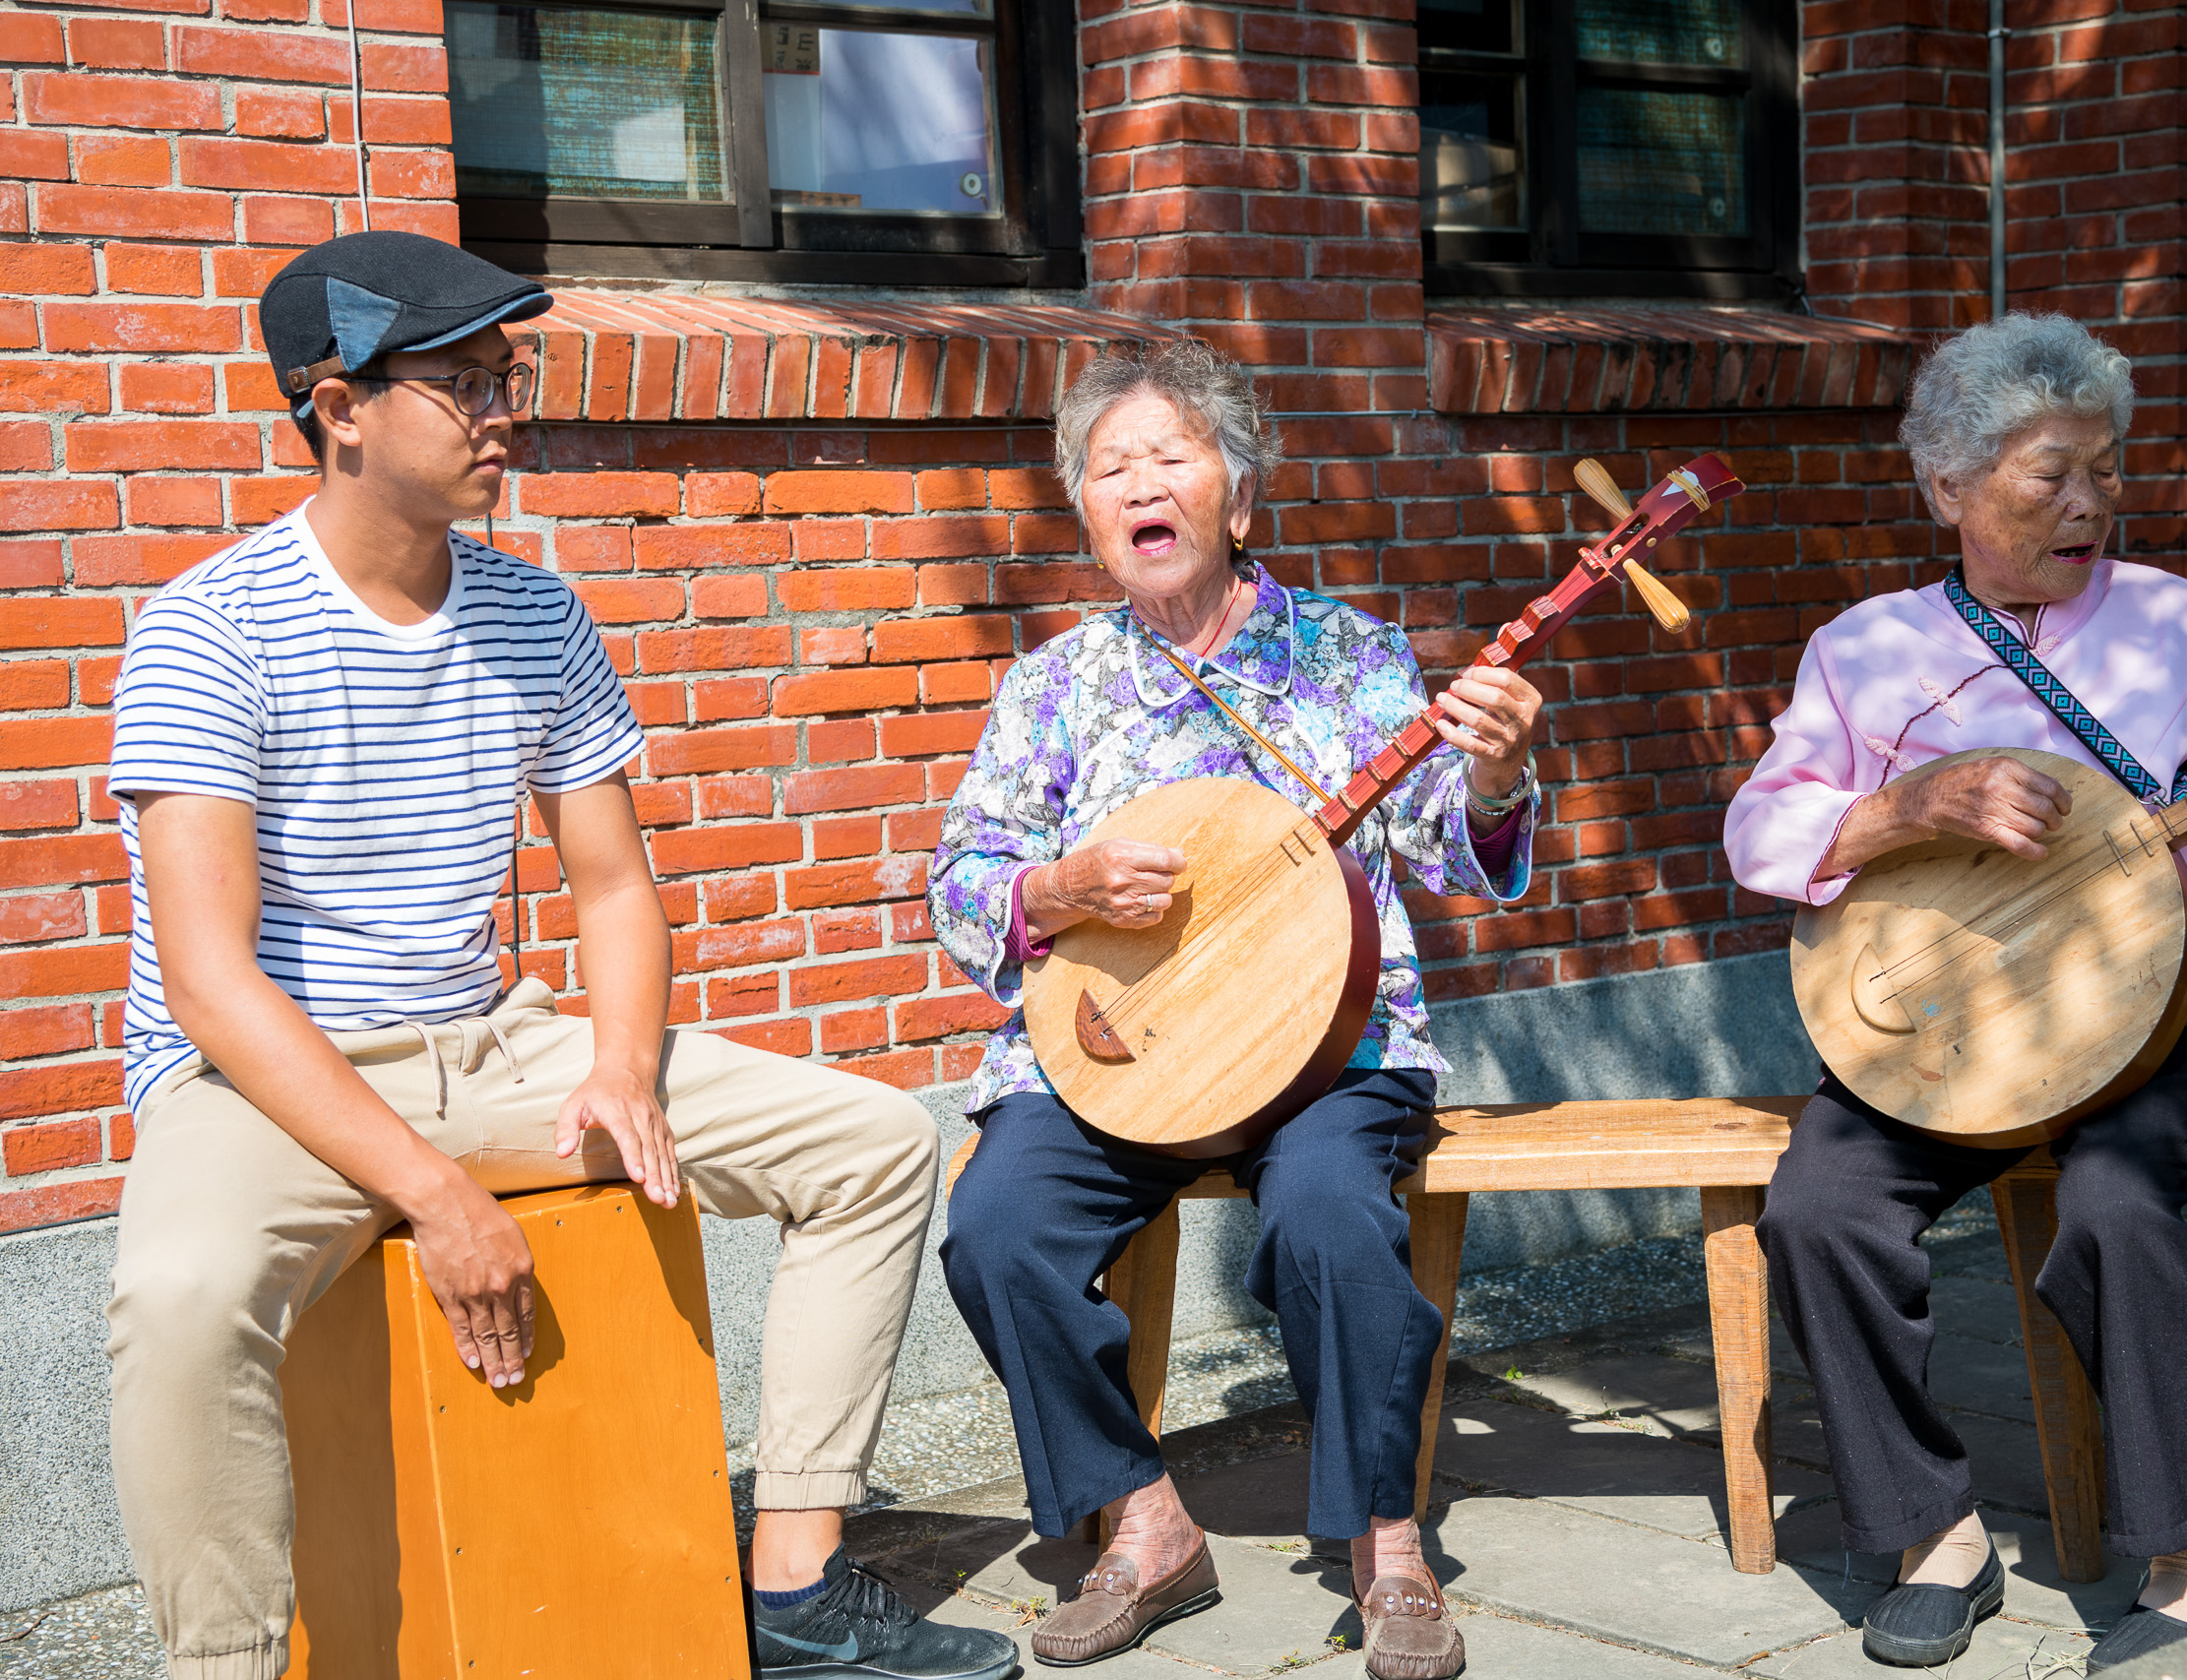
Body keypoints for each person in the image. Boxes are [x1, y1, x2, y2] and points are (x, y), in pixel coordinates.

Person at [101, 229, 1017, 1680]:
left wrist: (621, 1067)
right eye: (463, 384)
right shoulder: (211, 631)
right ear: (337, 408)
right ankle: (217, 1666)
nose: (504, 411)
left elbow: (612, 889)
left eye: (507, 375)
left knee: (876, 1141)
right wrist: (436, 1196)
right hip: (266, 1073)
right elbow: (211, 983)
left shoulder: (536, 611)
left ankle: (791, 1585)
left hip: (488, 1039)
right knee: (181, 1299)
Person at [1723, 312, 2187, 1672]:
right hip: (1943, 1037)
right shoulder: (1866, 648)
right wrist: (1914, 801)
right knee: (1815, 1209)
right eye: (2053, 474)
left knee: (2111, 1203)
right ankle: (1932, 1532)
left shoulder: (2174, 623)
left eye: (2106, 470)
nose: (2092, 502)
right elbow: (1761, 836)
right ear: (1950, 488)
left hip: (2158, 1019)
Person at [930, 340, 1545, 1677]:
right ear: (1088, 517)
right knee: (993, 1225)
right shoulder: (1054, 685)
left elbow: (1449, 851)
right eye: (1110, 467)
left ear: (1241, 497)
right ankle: (1145, 1522)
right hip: (1120, 1054)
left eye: (1171, 453)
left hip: (1329, 1050)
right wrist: (1065, 882)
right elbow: (964, 877)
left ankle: (1389, 1547)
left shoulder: (1347, 656)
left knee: (1328, 1211)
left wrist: (1492, 779)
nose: (1141, 482)